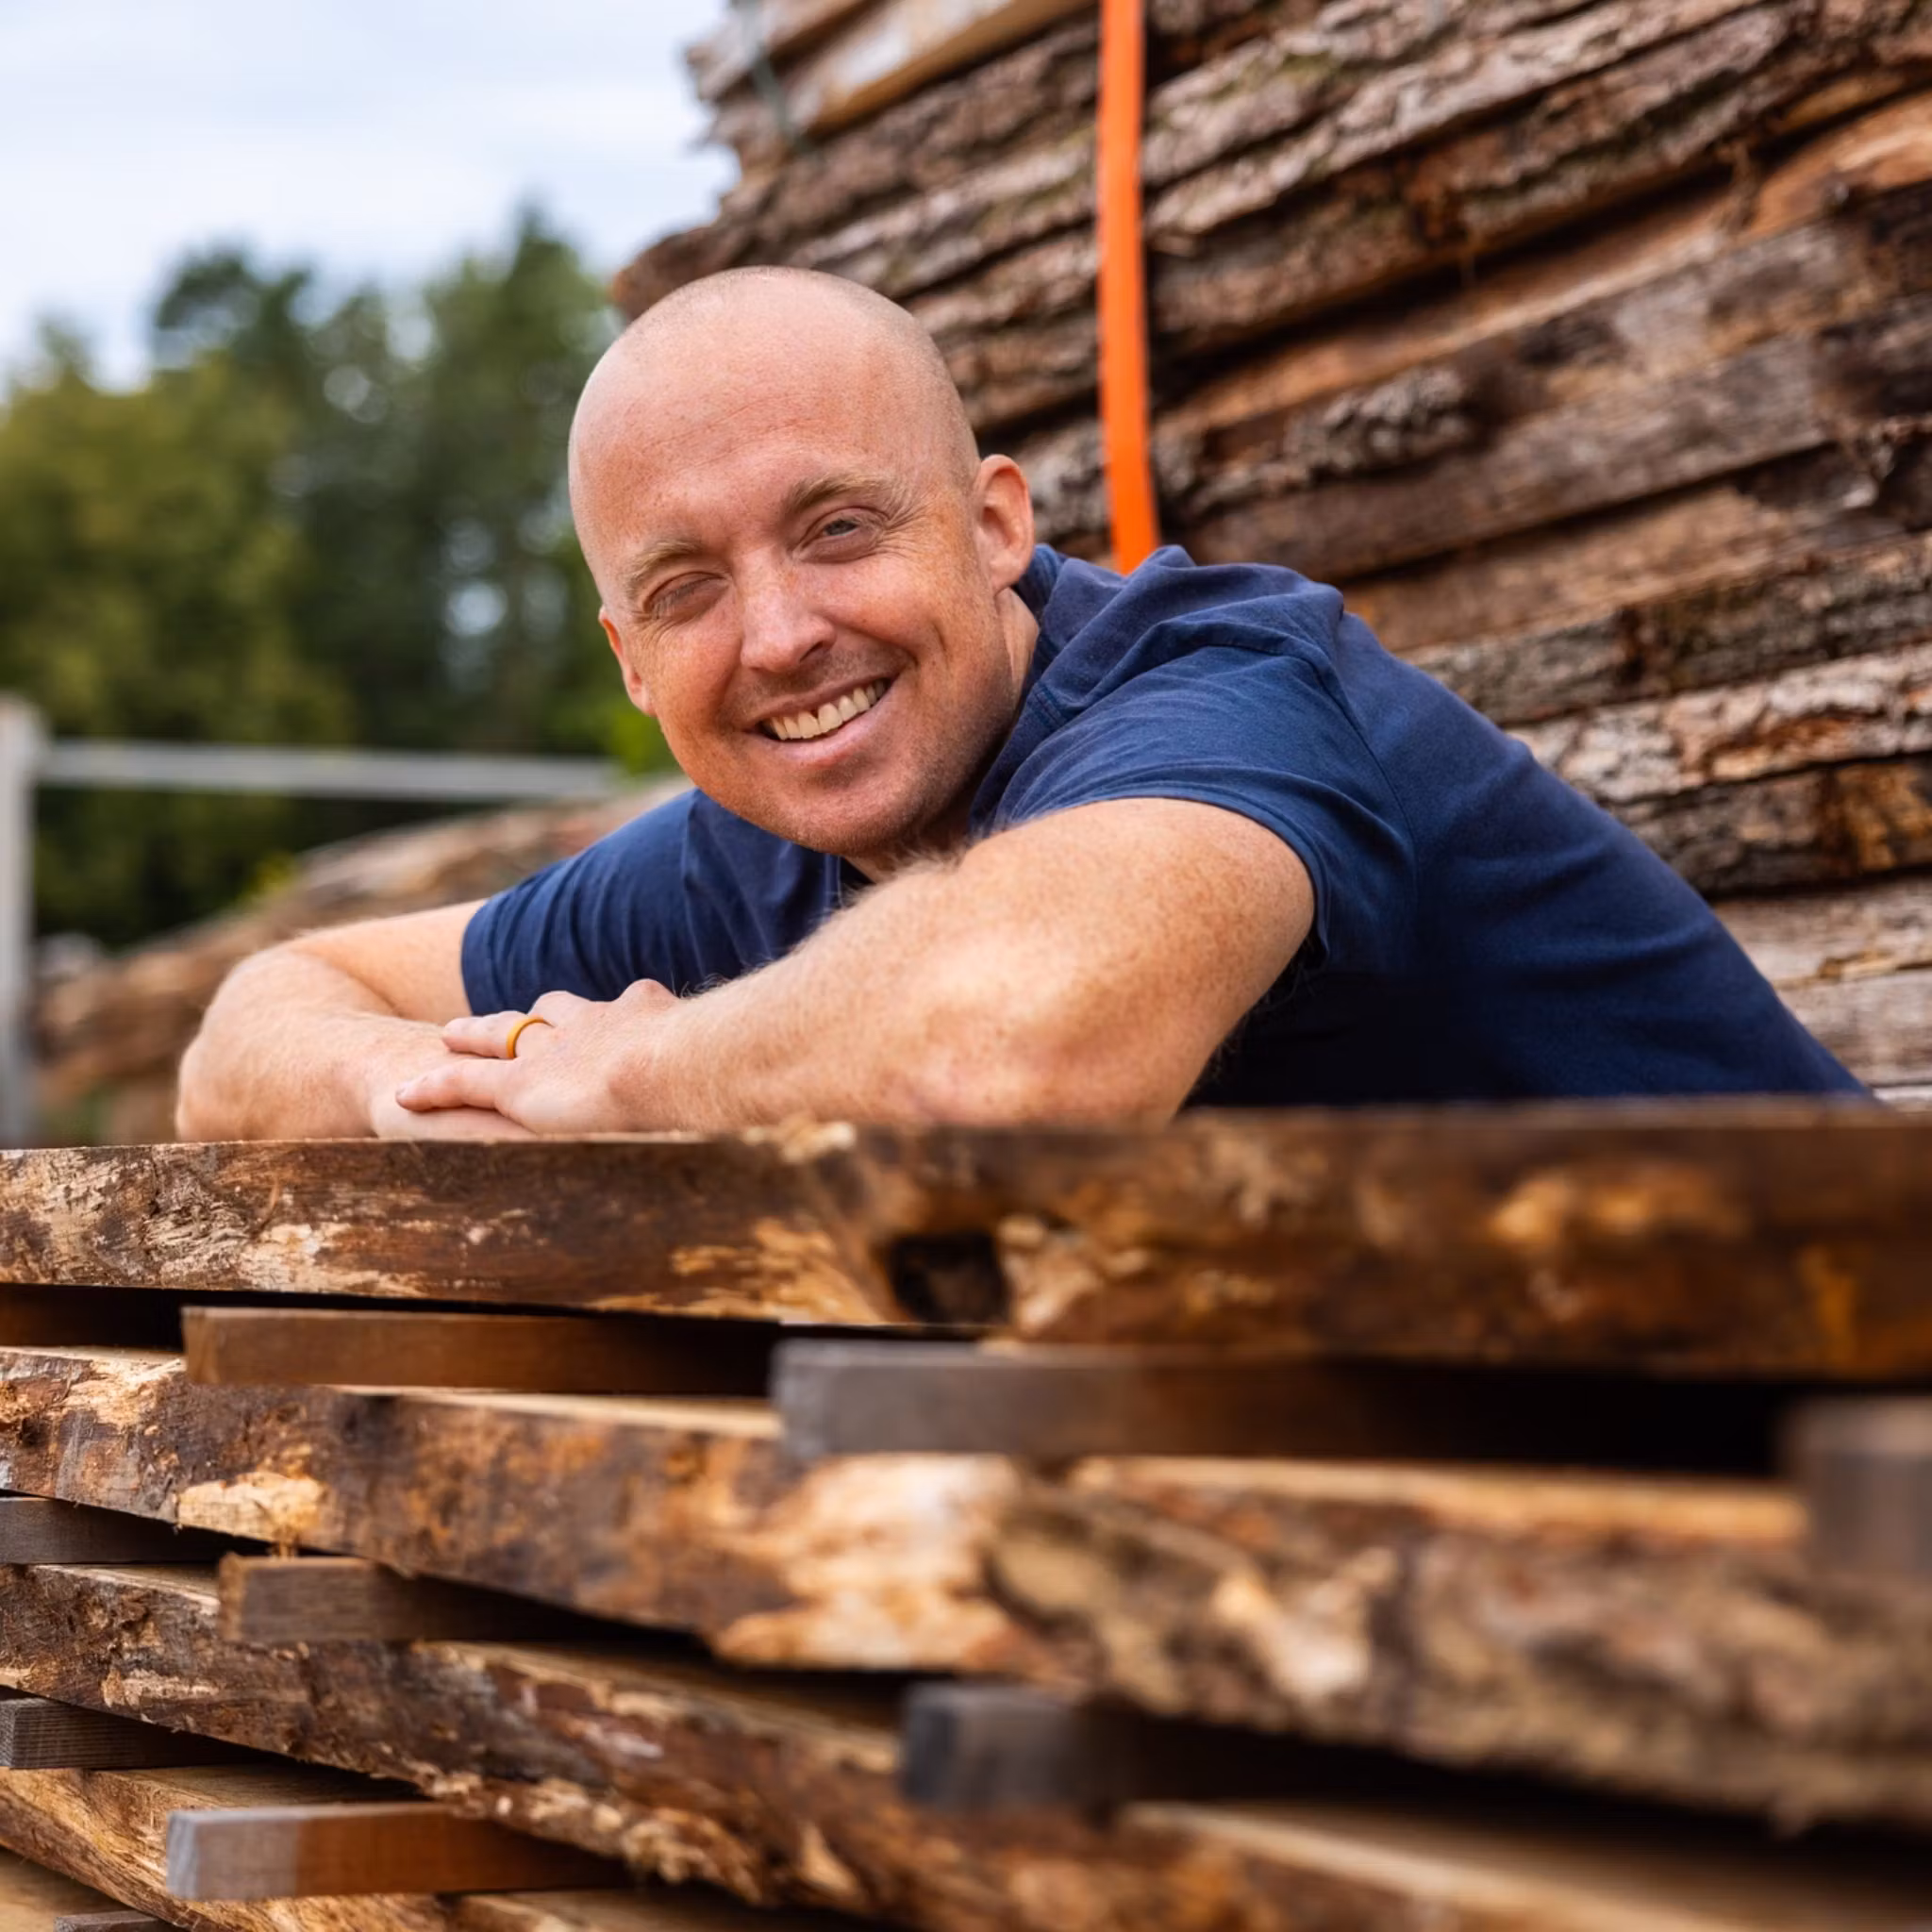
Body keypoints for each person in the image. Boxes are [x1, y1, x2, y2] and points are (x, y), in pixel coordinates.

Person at [175, 268, 1864, 1141]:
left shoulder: (1226, 689)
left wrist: (630, 1075)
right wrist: (446, 1087)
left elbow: (1010, 1040)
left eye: (838, 529)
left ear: (999, 525)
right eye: (686, 587)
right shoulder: (749, 850)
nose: (776, 637)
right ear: (629, 658)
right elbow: (258, 1026)